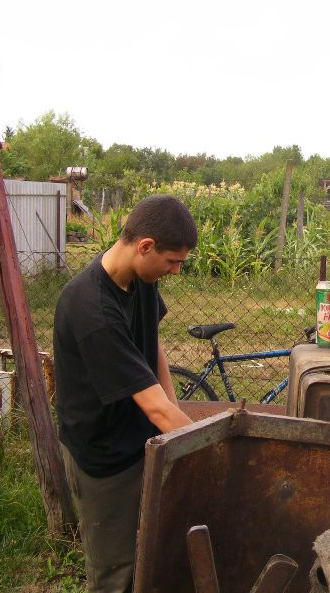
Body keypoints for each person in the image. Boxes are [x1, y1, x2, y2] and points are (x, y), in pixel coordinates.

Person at [54, 194, 197, 592]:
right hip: (103, 457)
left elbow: (152, 346)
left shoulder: (139, 278)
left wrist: (174, 409)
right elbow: (154, 407)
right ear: (145, 246)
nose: (175, 271)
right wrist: (200, 445)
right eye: (172, 262)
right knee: (114, 573)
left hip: (136, 440)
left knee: (148, 555)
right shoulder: (92, 308)